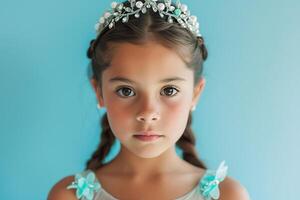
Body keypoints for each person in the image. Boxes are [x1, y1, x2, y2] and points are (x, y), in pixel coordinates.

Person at [48, 0, 250, 199]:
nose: (147, 113)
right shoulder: (69, 196)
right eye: (126, 91)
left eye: (169, 90)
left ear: (195, 93)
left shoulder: (228, 196)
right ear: (99, 93)